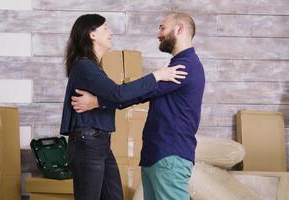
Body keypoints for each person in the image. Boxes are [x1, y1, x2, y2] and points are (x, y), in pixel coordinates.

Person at [71, 13, 205, 200]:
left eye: (162, 28)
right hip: (157, 155)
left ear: (179, 29)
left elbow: (138, 94)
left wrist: (97, 101)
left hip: (169, 155)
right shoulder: (175, 66)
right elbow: (139, 93)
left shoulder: (184, 67)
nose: (158, 34)